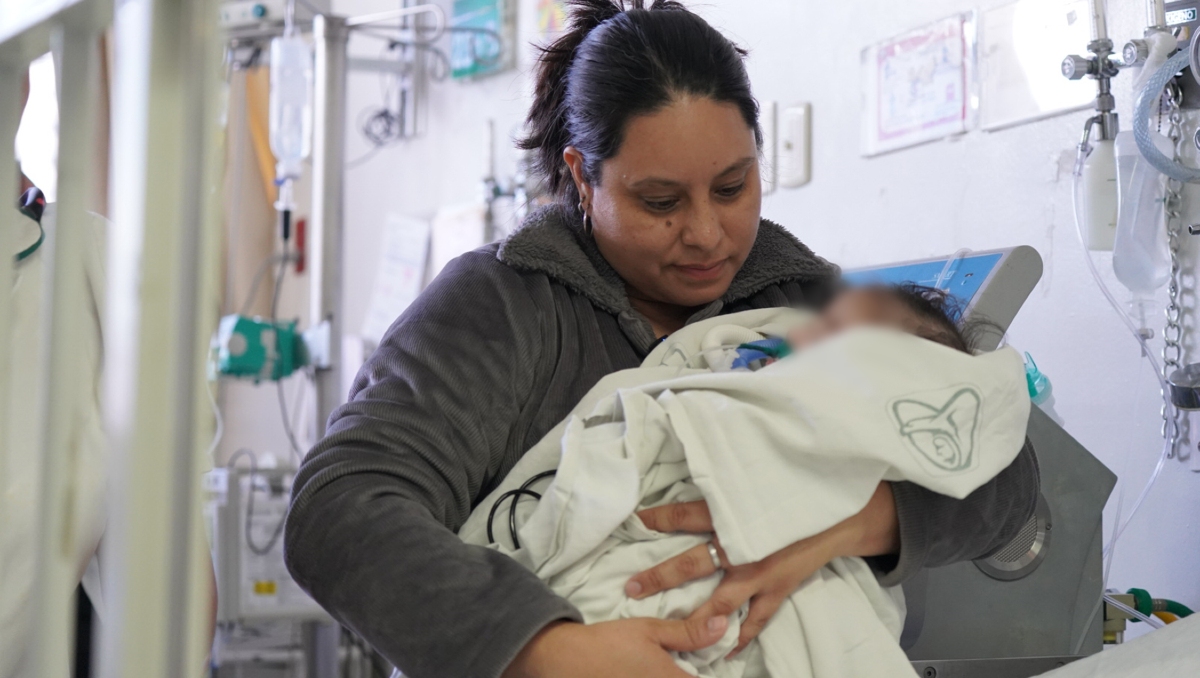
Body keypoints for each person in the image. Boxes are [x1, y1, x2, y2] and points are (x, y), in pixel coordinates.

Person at [283, 2, 1040, 677]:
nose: (707, 234)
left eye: (734, 186)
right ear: (583, 177)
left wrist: (846, 518)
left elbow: (1002, 476)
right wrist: (544, 651)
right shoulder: (502, 306)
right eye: (660, 201)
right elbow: (342, 509)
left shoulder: (806, 301)